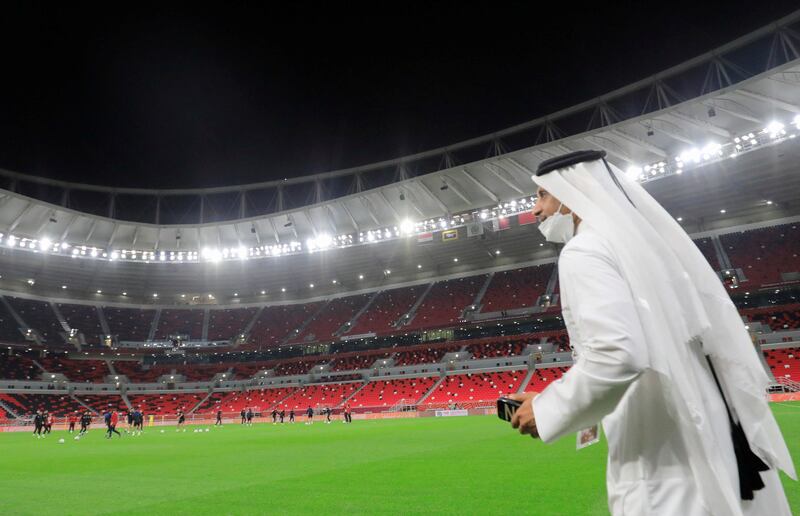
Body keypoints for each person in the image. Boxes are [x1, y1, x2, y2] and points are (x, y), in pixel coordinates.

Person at [507, 150, 794, 515]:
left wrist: (548, 409)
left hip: (665, 462)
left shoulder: (585, 250)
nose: (536, 210)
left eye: (542, 195)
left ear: (573, 192)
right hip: (716, 434)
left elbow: (618, 355)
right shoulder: (640, 250)